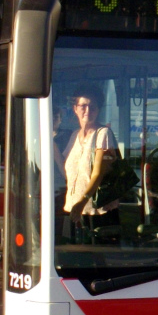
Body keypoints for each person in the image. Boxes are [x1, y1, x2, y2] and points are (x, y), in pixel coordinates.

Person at [61, 86, 120, 233]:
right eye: (83, 106)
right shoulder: (74, 136)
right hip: (73, 209)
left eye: (92, 107)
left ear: (98, 110)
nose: (88, 110)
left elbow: (98, 173)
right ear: (75, 108)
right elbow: (65, 169)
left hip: (97, 212)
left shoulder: (103, 134)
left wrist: (83, 200)